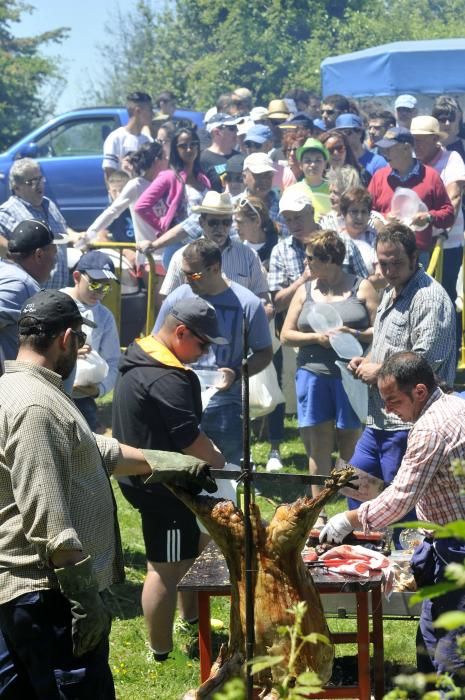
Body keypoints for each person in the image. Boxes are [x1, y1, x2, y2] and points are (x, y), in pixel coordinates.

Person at [0, 289, 216, 699]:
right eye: (80, 341)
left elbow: (95, 449)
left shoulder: (24, 390)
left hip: (32, 593)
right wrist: (83, 598)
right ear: (66, 338)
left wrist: (165, 462)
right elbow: (46, 510)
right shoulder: (36, 406)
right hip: (50, 594)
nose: (81, 349)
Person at [320, 352, 465, 686]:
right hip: (443, 544)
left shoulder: (430, 430)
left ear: (418, 391)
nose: (387, 410)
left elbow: (400, 498)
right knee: (430, 640)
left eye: (393, 400)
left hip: (457, 551)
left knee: (452, 654)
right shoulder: (455, 404)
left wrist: (349, 519)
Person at [112, 295, 225, 663]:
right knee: (164, 568)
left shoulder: (137, 359)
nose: (205, 353)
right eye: (202, 344)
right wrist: (219, 461)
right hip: (164, 486)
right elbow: (189, 439)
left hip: (143, 477)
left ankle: (189, 619)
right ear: (180, 331)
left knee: (186, 553)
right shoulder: (168, 378)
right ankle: (160, 652)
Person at [345, 224, 456, 538]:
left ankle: (405, 569)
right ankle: (362, 558)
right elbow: (384, 342)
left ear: (414, 256)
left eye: (396, 262)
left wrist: (378, 372)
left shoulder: (429, 299)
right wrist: (367, 360)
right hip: (379, 418)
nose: (389, 270)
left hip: (410, 422)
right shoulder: (390, 292)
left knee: (402, 501)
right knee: (354, 483)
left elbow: (425, 362)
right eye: (383, 263)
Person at [281, 230, 378, 511]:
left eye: (311, 258)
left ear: (330, 260)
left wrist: (355, 333)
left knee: (351, 440)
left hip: (351, 375)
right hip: (313, 375)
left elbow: (380, 328)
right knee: (318, 445)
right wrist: (316, 338)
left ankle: (354, 509)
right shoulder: (305, 290)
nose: (306, 263)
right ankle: (317, 512)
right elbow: (286, 334)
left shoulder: (362, 287)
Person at [155, 239, 273, 464]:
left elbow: (264, 353)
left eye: (195, 275)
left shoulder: (248, 303)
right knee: (179, 469)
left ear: (215, 268)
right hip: (179, 397)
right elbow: (157, 343)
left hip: (226, 402)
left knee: (226, 469)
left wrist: (236, 373)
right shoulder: (178, 297)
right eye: (185, 273)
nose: (188, 280)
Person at [158, 191, 269, 301]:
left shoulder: (249, 256)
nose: (220, 228)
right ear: (201, 222)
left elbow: (263, 299)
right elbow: (168, 301)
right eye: (213, 223)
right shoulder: (181, 257)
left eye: (226, 222)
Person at [369, 126, 455, 268]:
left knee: (417, 290)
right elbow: (367, 212)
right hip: (383, 253)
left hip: (417, 254)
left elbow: (449, 215)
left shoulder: (431, 177)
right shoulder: (379, 177)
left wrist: (428, 217)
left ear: (407, 148)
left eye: (389, 149)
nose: (385, 153)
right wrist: (384, 218)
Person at [85, 141, 167, 281]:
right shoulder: (136, 185)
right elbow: (113, 211)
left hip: (169, 253)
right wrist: (90, 233)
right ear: (156, 161)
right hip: (150, 257)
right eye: (164, 157)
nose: (167, 160)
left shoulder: (167, 183)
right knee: (160, 301)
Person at [135, 126, 211, 269]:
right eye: (183, 146)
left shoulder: (203, 179)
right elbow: (141, 206)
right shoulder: (169, 176)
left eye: (193, 144)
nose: (189, 149)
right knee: (180, 290)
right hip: (178, 247)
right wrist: (163, 224)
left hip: (201, 248)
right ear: (175, 149)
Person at [61, 251, 121, 432]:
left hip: (82, 396)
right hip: (50, 389)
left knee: (91, 446)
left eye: (106, 287)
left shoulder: (104, 317)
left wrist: (99, 390)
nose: (100, 292)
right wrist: (68, 353)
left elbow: (113, 360)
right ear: (77, 277)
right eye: (94, 284)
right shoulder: (56, 302)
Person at [410, 115, 465, 305]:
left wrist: (442, 231)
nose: (415, 144)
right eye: (413, 139)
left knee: (446, 298)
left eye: (420, 140)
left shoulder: (452, 159)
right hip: (418, 244)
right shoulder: (412, 163)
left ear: (435, 139)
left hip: (445, 245)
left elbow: (454, 198)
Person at [0, 219, 69, 367]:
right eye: (54, 253)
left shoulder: (7, 271)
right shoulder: (20, 284)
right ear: (39, 255)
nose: (55, 261)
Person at [0, 158, 70, 289]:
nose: (39, 185)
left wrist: (77, 235)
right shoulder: (7, 212)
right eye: (31, 181)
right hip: (28, 294)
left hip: (57, 293)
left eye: (40, 178)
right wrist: (15, 254)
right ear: (16, 188)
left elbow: (63, 229)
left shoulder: (49, 205)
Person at [102, 91, 153, 181]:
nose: (152, 114)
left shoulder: (148, 140)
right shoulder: (115, 138)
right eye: (150, 110)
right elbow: (109, 174)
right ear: (138, 111)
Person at [285, 138, 331, 221]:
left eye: (318, 160)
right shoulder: (291, 191)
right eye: (308, 161)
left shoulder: (334, 189)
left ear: (325, 164)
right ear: (300, 165)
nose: (313, 164)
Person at [335, 113, 387, 177]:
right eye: (338, 133)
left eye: (346, 132)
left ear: (359, 133)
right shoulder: (336, 161)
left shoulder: (377, 163)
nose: (343, 136)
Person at [200, 113, 241, 192]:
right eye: (232, 128)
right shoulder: (202, 159)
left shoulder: (241, 158)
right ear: (217, 132)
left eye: (236, 128)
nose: (237, 131)